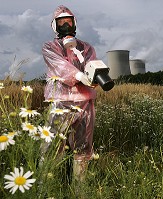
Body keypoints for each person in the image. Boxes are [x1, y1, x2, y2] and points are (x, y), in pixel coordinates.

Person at [42, 5, 97, 182]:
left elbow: (92, 65)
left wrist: (95, 77)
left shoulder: (86, 48)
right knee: (52, 146)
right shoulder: (50, 47)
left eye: (69, 21)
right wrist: (79, 75)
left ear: (75, 23)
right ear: (54, 26)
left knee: (82, 147)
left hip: (84, 101)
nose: (66, 25)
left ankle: (79, 189)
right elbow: (60, 66)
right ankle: (48, 187)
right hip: (61, 101)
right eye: (61, 22)